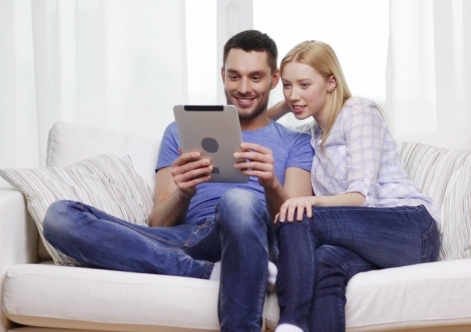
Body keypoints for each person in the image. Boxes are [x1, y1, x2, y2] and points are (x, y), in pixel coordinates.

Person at [42, 30, 314, 332]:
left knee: (238, 200)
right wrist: (183, 193)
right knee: (59, 217)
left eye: (255, 77)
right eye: (234, 76)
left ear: (274, 79)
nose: (244, 88)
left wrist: (270, 184)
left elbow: (297, 229)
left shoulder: (295, 143)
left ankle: (235, 274)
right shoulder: (180, 131)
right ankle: (207, 272)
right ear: (223, 75)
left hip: (253, 235)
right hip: (190, 239)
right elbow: (158, 222)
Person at [269, 41, 441, 332]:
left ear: (331, 82)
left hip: (412, 229)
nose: (293, 94)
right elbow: (256, 126)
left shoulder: (358, 112)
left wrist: (311, 203)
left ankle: (291, 322)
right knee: (325, 260)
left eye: (304, 84)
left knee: (298, 215)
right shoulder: (312, 135)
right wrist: (288, 104)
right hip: (371, 242)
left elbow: (362, 197)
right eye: (287, 85)